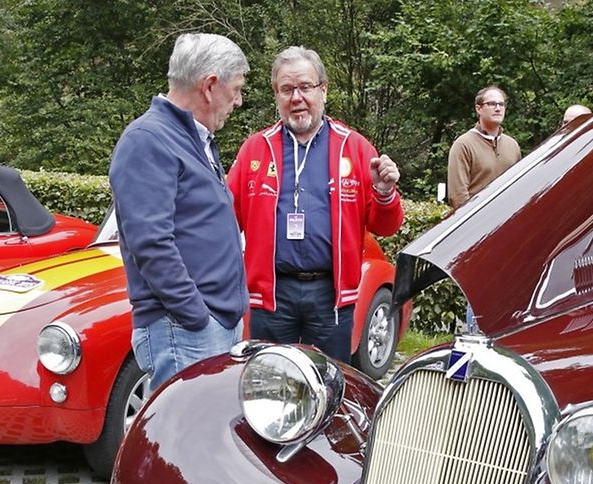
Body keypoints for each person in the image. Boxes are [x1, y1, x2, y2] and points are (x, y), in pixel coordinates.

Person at [228, 46, 403, 362]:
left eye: (305, 87)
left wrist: (385, 192)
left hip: (330, 296)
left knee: (328, 383)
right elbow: (225, 224)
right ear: (276, 95)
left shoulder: (355, 147)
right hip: (270, 295)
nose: (296, 97)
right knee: (270, 385)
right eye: (287, 89)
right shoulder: (255, 149)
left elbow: (386, 227)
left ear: (323, 90)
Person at [110, 33, 249, 393]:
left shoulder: (193, 138)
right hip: (185, 329)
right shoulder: (148, 140)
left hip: (207, 325)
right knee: (182, 443)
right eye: (235, 90)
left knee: (211, 433)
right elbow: (152, 244)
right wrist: (196, 317)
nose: (237, 101)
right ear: (209, 86)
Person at [446, 85, 521, 209]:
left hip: (509, 218)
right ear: (478, 108)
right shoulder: (463, 144)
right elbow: (458, 195)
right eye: (492, 104)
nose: (498, 108)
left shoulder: (512, 145)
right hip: (478, 222)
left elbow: (519, 186)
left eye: (501, 104)